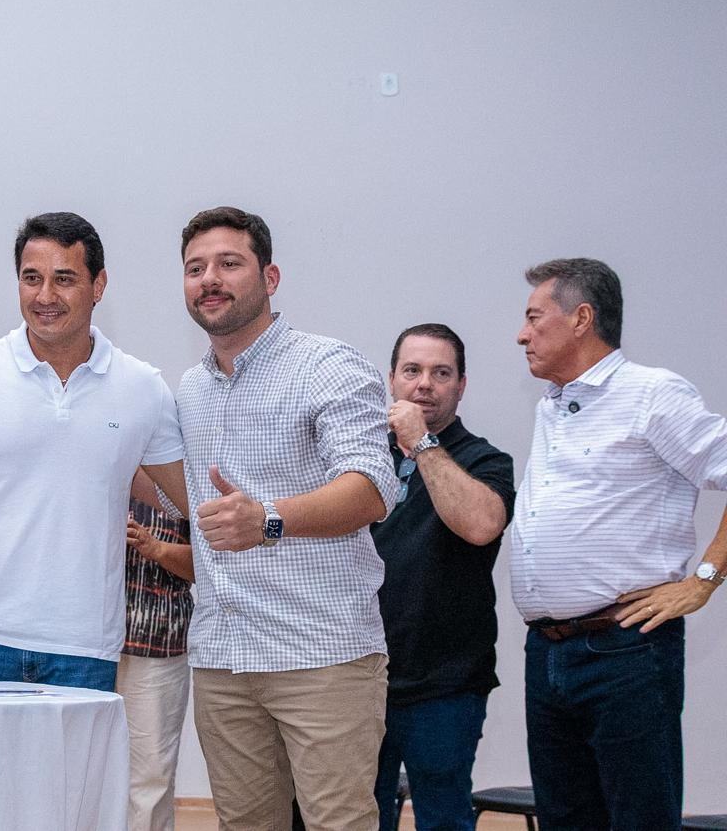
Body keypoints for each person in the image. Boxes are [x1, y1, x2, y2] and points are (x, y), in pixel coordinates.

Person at [0, 211, 187, 692]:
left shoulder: (143, 387)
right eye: (32, 278)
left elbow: (188, 499)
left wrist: (269, 515)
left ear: (98, 285)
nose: (45, 296)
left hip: (85, 646)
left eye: (64, 279)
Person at [175, 206, 397, 831]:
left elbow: (372, 487)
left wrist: (268, 519)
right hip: (222, 657)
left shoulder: (327, 365)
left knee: (338, 824)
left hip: (320, 654)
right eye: (195, 268)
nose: (209, 279)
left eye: (228, 263)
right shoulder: (191, 389)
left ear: (269, 278)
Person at [512, 257, 727, 831]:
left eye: (534, 317)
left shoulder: (651, 393)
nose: (521, 334)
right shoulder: (553, 404)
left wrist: (703, 581)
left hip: (625, 650)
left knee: (639, 820)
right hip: (547, 651)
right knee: (565, 819)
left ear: (581, 319)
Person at [370, 324, 515, 831]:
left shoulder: (485, 460)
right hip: (359, 676)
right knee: (356, 816)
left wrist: (421, 442)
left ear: (461, 385)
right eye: (412, 371)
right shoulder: (361, 459)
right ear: (392, 379)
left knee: (443, 817)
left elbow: (480, 525)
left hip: (445, 681)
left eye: (441, 373)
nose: (424, 384)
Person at [121, 469, 195, 831]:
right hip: (84, 644)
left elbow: (212, 562)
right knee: (82, 769)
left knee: (150, 776)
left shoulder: (186, 471)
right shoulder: (94, 460)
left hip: (157, 642)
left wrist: (157, 549)